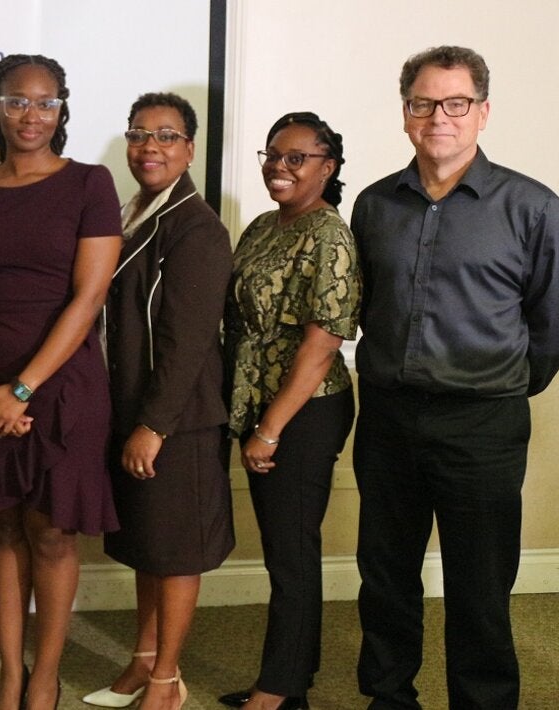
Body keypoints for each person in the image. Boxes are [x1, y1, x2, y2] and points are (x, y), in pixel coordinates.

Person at [351, 46, 559, 709]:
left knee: (479, 586)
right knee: (385, 576)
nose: (439, 118)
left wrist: (502, 383)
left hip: (483, 424)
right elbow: (366, 306)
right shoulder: (374, 205)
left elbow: (558, 323)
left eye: (456, 103)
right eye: (423, 103)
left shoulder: (532, 207)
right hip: (389, 418)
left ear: (483, 112)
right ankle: (389, 698)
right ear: (405, 113)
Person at [0, 54, 122, 710]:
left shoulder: (90, 183)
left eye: (46, 103)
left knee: (51, 532)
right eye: (18, 101)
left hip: (63, 383)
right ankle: (10, 674)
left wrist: (21, 389)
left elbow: (89, 296)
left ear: (62, 109)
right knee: (8, 527)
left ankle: (44, 676)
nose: (31, 115)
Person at [84, 92, 232, 710]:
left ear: (190, 149)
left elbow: (187, 342)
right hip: (132, 411)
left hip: (177, 422)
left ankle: (168, 681)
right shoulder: (133, 214)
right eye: (140, 134)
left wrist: (153, 425)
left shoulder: (197, 228)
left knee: (174, 552)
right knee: (147, 544)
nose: (150, 147)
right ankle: (144, 660)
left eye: (167, 136)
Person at [218, 112, 359, 710]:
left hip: (303, 413)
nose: (280, 166)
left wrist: (271, 429)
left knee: (292, 554)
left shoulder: (329, 235)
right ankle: (293, 677)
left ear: (327, 168)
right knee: (286, 548)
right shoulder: (264, 226)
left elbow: (323, 343)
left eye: (296, 158)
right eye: (273, 155)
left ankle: (278, 690)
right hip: (261, 406)